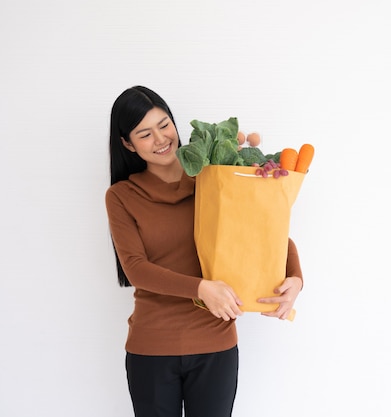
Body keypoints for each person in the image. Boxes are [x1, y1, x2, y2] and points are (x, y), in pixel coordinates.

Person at [105, 85, 304, 417]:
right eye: (144, 133)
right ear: (127, 143)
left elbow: (267, 234)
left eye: (164, 124)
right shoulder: (122, 196)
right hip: (151, 347)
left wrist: (296, 278)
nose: (160, 138)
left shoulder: (216, 179)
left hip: (216, 345)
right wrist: (200, 288)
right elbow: (135, 268)